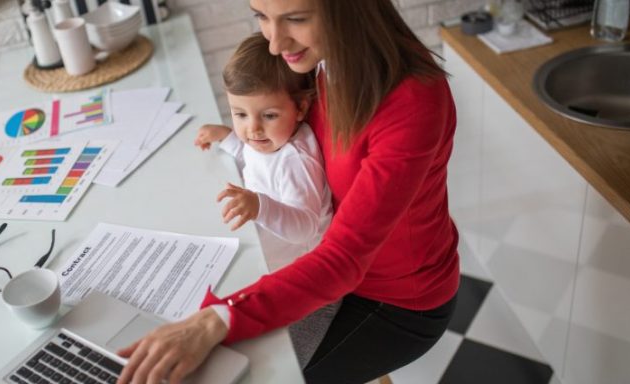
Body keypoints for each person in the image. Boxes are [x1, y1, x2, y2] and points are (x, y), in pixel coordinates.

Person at [116, 1, 459, 383]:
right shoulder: (320, 60)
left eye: (295, 19)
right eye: (262, 16)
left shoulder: (412, 102)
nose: (275, 44)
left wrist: (218, 318)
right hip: (326, 268)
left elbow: (343, 259)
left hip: (394, 302)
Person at [193, 32, 339, 368]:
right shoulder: (270, 140)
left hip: (307, 288)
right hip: (271, 261)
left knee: (284, 364)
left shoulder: (294, 160)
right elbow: (255, 158)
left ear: (300, 108)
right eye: (240, 115)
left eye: (268, 116)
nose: (253, 129)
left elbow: (304, 227)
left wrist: (260, 206)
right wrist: (228, 139)